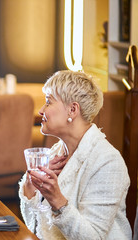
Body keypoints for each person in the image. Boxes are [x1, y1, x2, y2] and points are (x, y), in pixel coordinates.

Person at [19, 70, 132, 239]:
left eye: (48, 102)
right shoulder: (57, 152)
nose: (41, 110)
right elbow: (34, 226)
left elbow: (92, 237)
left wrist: (57, 201)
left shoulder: (108, 162)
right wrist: (31, 185)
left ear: (72, 110)